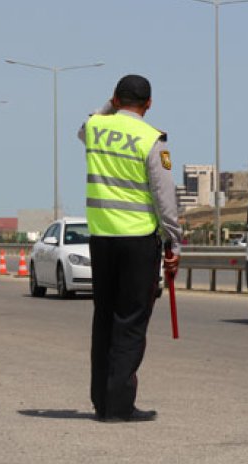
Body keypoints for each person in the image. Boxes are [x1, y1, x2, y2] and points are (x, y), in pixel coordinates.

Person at [78, 74, 181, 422]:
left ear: (117, 99)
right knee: (131, 322)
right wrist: (173, 241)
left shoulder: (94, 128)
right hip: (138, 242)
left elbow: (86, 125)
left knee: (104, 318)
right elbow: (165, 197)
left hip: (102, 239)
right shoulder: (153, 140)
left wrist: (110, 105)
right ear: (149, 104)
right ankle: (119, 406)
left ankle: (102, 402)